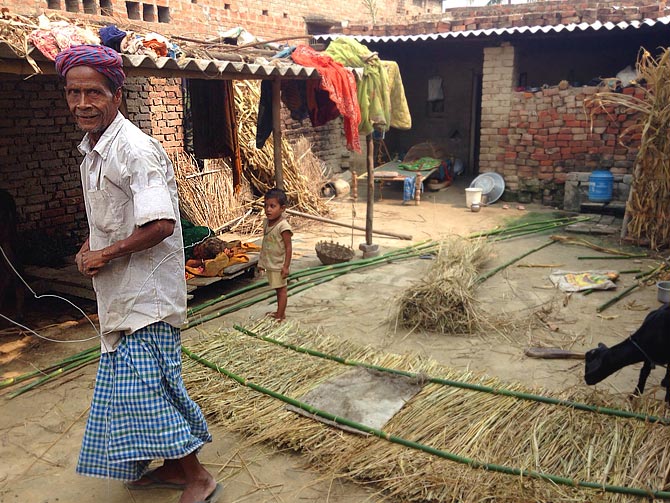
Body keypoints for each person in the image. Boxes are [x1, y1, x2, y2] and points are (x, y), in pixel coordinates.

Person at [55, 45, 221, 503]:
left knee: (147, 393)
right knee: (148, 391)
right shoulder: (94, 149)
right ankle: (173, 469)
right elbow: (115, 214)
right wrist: (93, 244)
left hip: (147, 296)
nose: (82, 104)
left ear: (116, 95)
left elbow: (162, 225)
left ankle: (198, 478)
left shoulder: (135, 149)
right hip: (122, 295)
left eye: (93, 93)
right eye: (73, 93)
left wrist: (106, 252)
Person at [258, 188, 293, 321]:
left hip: (279, 264)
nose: (268, 209)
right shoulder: (266, 223)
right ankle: (280, 312)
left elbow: (289, 248)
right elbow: (265, 243)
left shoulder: (283, 227)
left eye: (273, 206)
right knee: (277, 289)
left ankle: (280, 315)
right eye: (266, 205)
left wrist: (286, 267)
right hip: (270, 263)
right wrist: (261, 263)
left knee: (281, 290)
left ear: (282, 208)